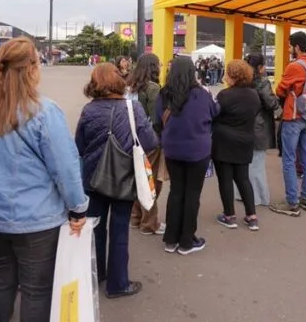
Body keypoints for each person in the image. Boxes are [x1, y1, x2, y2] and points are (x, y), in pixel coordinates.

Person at [0, 37, 89, 321]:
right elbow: (66, 167)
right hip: (36, 219)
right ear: (33, 67)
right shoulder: (44, 111)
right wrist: (78, 207)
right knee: (36, 290)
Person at [76, 63, 157, 298]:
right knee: (120, 230)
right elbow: (150, 142)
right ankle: (118, 283)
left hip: (93, 178)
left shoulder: (88, 110)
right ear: (118, 81)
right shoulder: (134, 108)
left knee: (96, 229)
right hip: (124, 177)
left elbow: (78, 147)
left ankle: (97, 271)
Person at [155, 55, 219, 255]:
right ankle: (187, 241)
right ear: (193, 72)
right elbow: (215, 112)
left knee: (175, 192)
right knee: (192, 194)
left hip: (172, 149)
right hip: (198, 151)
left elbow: (157, 119)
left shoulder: (164, 93)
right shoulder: (201, 94)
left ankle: (171, 239)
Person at [269, 31, 306, 217]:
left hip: (294, 116)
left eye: (290, 46)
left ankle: (292, 203)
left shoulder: (294, 66)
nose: (289, 49)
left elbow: (280, 89)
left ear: (296, 47)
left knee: (289, 160)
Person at [212, 60, 261, 230]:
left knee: (225, 179)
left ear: (233, 76)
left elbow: (214, 115)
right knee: (243, 178)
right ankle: (251, 215)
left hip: (224, 140)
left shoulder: (225, 95)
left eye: (227, 73)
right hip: (246, 139)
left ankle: (229, 215)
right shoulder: (254, 94)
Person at [127, 54, 167, 236]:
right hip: (150, 140)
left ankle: (136, 217)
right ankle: (149, 222)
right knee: (151, 182)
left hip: (130, 138)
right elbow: (156, 118)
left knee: (139, 178)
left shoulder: (130, 86)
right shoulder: (153, 88)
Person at [238, 53, 281, 206]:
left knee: (244, 163)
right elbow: (270, 103)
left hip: (242, 125)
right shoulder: (263, 83)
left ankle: (241, 194)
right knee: (257, 164)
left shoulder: (241, 81)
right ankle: (258, 197)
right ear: (261, 67)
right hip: (259, 127)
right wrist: (279, 106)